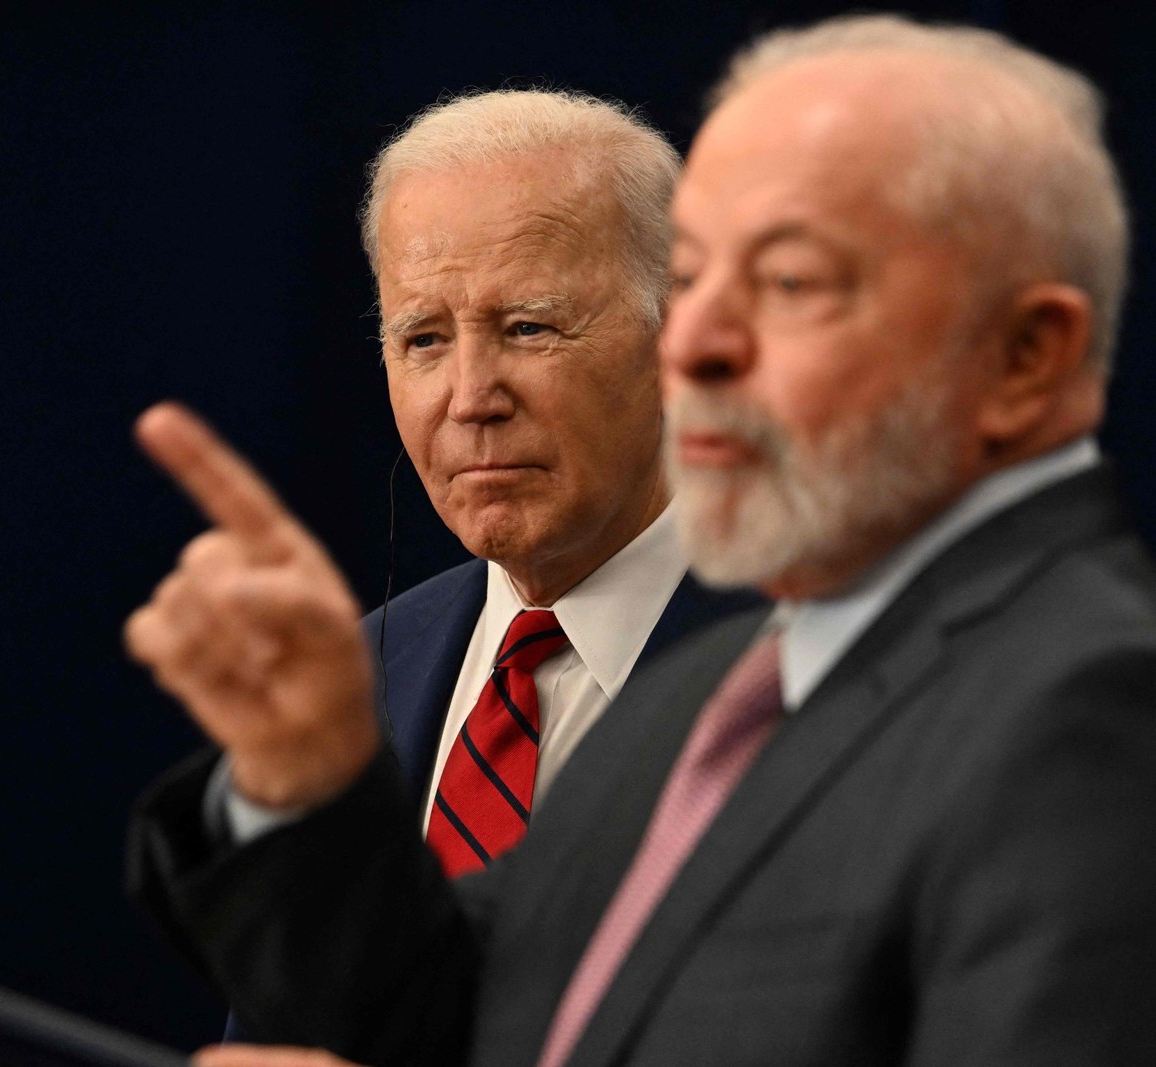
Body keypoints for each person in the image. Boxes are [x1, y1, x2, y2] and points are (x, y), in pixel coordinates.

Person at [129, 15, 1156, 1067]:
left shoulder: (1108, 722)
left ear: (1025, 362)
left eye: (791, 282)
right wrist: (309, 779)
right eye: (697, 279)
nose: (695, 347)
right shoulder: (722, 693)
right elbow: (450, 1016)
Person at [125, 89, 757, 876]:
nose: (470, 399)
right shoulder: (355, 685)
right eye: (423, 338)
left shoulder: (819, 659)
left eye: (529, 327)